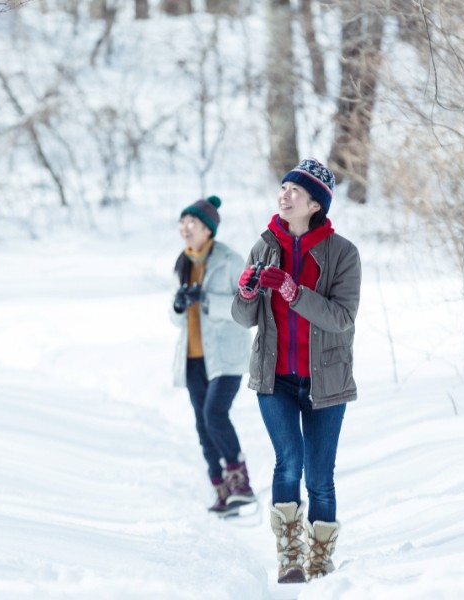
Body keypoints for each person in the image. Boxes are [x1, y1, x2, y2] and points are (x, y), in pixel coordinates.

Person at [230, 159, 361, 583]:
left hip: (327, 383)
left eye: (294, 191)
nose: (283, 195)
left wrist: (293, 290)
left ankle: (320, 557)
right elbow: (244, 317)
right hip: (275, 379)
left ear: (314, 205)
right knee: (289, 463)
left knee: (320, 476)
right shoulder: (264, 245)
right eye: (283, 187)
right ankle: (289, 556)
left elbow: (341, 317)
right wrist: (247, 292)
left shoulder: (343, 254)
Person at [169, 195, 256, 517]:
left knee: (215, 414)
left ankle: (240, 484)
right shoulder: (183, 262)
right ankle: (222, 491)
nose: (185, 228)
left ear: (208, 229)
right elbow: (176, 317)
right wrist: (179, 306)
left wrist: (206, 300)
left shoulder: (230, 261)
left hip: (226, 356)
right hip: (193, 357)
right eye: (182, 223)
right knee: (203, 425)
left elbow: (247, 309)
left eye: (191, 223)